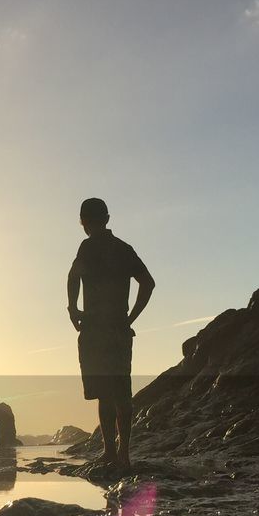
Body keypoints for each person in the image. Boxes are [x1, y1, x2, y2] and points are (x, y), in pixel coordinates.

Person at [67, 197, 155, 471]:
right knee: (121, 391)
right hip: (117, 329)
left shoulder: (88, 247)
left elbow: (73, 277)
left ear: (83, 222)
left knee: (105, 394)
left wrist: (73, 308)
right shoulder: (123, 249)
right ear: (107, 219)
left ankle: (110, 452)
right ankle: (123, 454)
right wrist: (130, 318)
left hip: (94, 328)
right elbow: (148, 284)